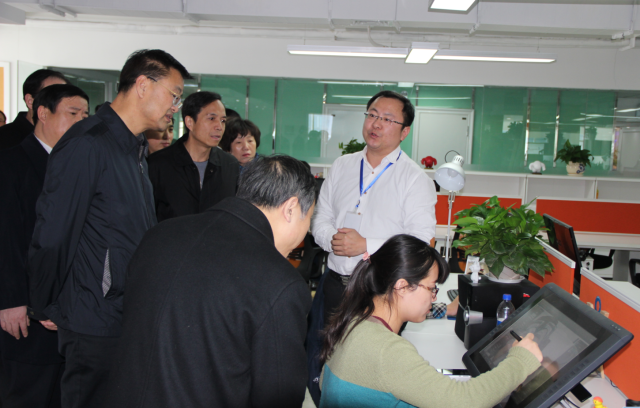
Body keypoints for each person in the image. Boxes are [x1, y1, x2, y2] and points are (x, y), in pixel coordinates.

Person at [28, 49, 191, 408]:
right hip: (92, 319)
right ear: (143, 85)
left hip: (124, 314)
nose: (175, 107)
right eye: (174, 95)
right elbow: (53, 233)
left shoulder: (132, 148)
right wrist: (44, 304)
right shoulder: (88, 143)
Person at [105, 155, 314, 408]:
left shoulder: (159, 234)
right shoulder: (280, 282)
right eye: (309, 219)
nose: (305, 233)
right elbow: (278, 395)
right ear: (291, 208)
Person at [319, 234, 543, 408]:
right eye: (432, 288)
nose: (433, 296)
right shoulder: (387, 351)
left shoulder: (355, 321)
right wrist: (520, 361)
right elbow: (464, 401)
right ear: (402, 286)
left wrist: (443, 309)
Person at [311, 90, 438, 325]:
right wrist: (334, 240)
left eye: (388, 119)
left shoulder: (415, 179)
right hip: (334, 284)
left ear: (404, 132)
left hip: (381, 293)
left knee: (370, 350)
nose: (376, 124)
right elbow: (321, 216)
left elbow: (419, 241)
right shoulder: (341, 165)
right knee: (325, 347)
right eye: (372, 115)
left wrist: (365, 245)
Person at [0, 84, 89, 408]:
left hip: (69, 312)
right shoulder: (10, 162)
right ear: (42, 113)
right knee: (27, 392)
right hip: (23, 309)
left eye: (85, 115)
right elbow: (7, 236)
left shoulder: (78, 165)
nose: (81, 121)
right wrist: (11, 301)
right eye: (73, 113)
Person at [148, 91, 239, 222]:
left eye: (223, 121)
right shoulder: (158, 164)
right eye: (211, 118)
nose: (219, 127)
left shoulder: (230, 165)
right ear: (190, 122)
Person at [0, 69, 70, 150]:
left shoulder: (68, 138)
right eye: (52, 96)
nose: (60, 103)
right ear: (30, 101)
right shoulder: (4, 139)